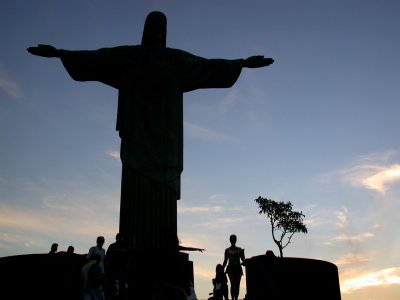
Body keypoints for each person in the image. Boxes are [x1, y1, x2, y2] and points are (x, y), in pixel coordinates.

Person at [27, 11, 274, 252]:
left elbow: (206, 66)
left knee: (162, 188)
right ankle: (132, 239)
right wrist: (60, 54)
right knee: (135, 183)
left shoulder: (175, 60)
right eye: (152, 22)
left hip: (165, 139)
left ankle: (164, 243)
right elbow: (98, 58)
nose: (156, 28)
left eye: (160, 23)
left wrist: (240, 63)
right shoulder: (128, 57)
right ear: (145, 27)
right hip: (136, 134)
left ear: (165, 29)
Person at [105, 233, 129, 299]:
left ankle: (113, 295)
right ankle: (116, 295)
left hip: (116, 268)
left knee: (115, 282)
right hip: (116, 268)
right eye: (121, 237)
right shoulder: (123, 246)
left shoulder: (113, 246)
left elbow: (107, 257)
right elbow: (107, 257)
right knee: (118, 282)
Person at [222, 234, 245, 300]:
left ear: (235, 240)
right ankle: (233, 298)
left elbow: (243, 259)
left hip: (237, 268)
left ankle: (236, 298)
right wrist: (222, 269)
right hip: (231, 268)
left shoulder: (239, 249)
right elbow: (225, 260)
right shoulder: (227, 250)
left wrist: (242, 253)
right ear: (230, 240)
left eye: (234, 239)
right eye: (232, 240)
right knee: (233, 284)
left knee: (237, 285)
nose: (233, 241)